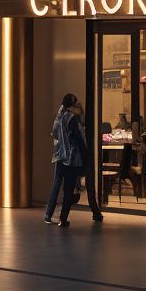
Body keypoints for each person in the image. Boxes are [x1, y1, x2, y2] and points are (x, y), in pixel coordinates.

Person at [44, 92, 101, 227]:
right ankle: (64, 218)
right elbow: (80, 139)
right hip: (71, 158)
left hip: (60, 155)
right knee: (69, 188)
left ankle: (49, 214)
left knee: (57, 185)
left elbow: (54, 133)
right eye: (76, 104)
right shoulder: (72, 119)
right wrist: (86, 156)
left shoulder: (60, 117)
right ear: (72, 106)